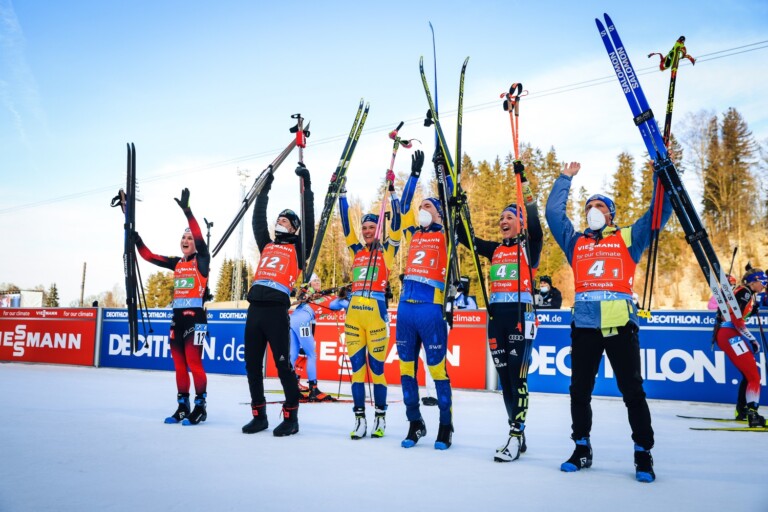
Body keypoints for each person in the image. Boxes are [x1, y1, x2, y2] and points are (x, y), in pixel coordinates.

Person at [546, 162, 672, 483]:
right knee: (579, 391)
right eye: (589, 206)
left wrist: (661, 175)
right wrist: (564, 179)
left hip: (620, 326)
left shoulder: (629, 237)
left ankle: (643, 452)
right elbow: (553, 215)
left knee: (632, 391)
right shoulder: (576, 242)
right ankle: (581, 447)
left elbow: (658, 213)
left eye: (600, 206)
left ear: (611, 213)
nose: (593, 210)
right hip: (585, 327)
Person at [457, 161, 542, 461]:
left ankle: (515, 436)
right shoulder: (495, 250)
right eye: (501, 217)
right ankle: (517, 430)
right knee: (505, 379)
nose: (503, 221)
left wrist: (524, 183)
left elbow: (535, 223)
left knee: (518, 377)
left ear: (520, 223)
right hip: (496, 318)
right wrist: (459, 206)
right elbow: (466, 238)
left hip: (521, 316)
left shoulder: (529, 247)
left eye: (509, 217)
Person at [241, 164, 314, 437]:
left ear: (294, 229)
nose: (279, 222)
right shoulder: (267, 245)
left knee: (283, 365)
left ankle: (291, 417)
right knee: (252, 365)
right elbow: (257, 220)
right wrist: (265, 187)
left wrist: (307, 185)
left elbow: (309, 220)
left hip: (276, 310)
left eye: (285, 220)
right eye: (279, 219)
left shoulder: (298, 248)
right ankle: (259, 415)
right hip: (255, 309)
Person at [395, 150, 456, 449]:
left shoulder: (447, 234)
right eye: (422, 206)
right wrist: (414, 176)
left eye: (428, 206)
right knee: (406, 370)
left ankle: (445, 425)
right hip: (405, 310)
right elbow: (403, 206)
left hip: (431, 309)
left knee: (437, 369)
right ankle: (415, 422)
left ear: (439, 213)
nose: (422, 209)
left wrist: (443, 168)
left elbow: (451, 199)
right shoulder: (413, 234)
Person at [134, 188, 210, 426]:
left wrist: (187, 211)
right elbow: (149, 256)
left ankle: (200, 407)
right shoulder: (176, 263)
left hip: (196, 320)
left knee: (194, 362)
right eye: (183, 238)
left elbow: (200, 238)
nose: (186, 241)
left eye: (190, 238)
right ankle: (182, 406)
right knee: (179, 365)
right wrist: (137, 240)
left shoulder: (202, 260)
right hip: (178, 319)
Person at [339, 171, 401, 439]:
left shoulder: (387, 251)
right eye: (364, 227)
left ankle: (380, 418)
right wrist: (342, 194)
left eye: (371, 227)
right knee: (357, 371)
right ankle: (359, 420)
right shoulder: (356, 251)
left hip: (376, 315)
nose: (365, 231)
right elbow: (346, 227)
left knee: (377, 370)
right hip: (354, 316)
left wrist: (393, 192)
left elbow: (396, 224)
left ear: (377, 229)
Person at [713, 266, 767, 426]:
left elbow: (735, 315)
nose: (765, 286)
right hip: (730, 335)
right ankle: (753, 414)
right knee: (754, 377)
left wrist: (750, 312)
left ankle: (742, 410)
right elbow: (737, 321)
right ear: (754, 281)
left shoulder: (744, 292)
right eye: (763, 282)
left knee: (748, 374)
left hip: (728, 334)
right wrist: (753, 340)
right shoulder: (745, 293)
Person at [289, 273, 348, 401]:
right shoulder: (331, 299)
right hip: (302, 323)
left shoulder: (317, 296)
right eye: (315, 281)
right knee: (311, 355)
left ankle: (291, 388)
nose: (318, 282)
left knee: (293, 355)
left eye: (319, 280)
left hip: (292, 320)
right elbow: (346, 304)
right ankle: (313, 390)